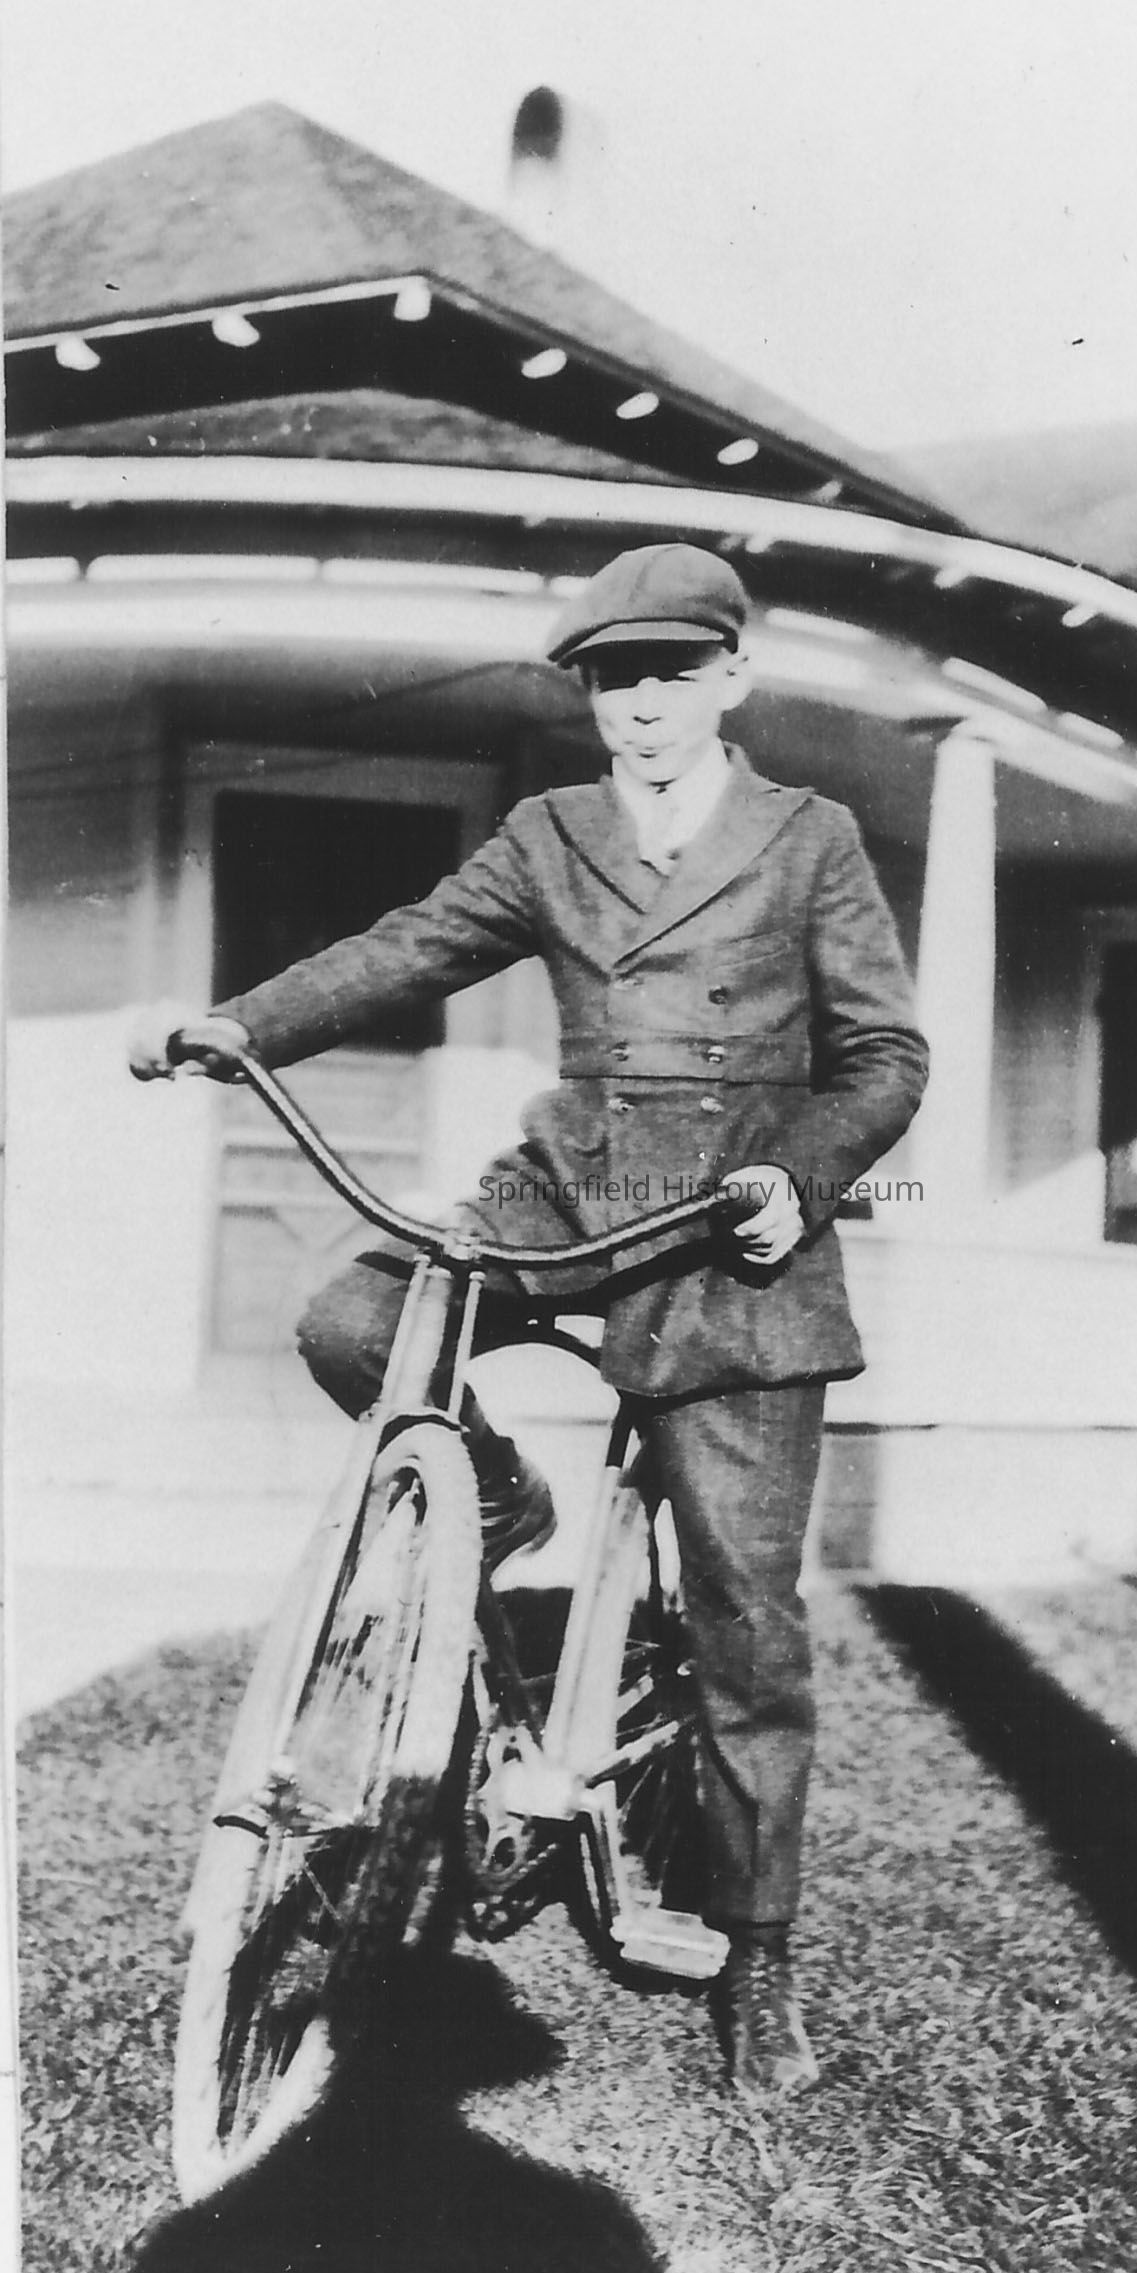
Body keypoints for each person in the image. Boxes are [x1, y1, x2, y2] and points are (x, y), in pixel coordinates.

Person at [131, 542, 929, 2098]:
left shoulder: (809, 837)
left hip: (730, 1234)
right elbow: (411, 947)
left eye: (670, 673)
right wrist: (240, 1024)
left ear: (731, 678)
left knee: (745, 1623)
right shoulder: (550, 833)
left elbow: (885, 1058)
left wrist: (801, 1176)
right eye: (613, 679)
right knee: (354, 1323)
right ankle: (495, 1497)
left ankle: (757, 1957)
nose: (641, 706)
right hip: (565, 1196)